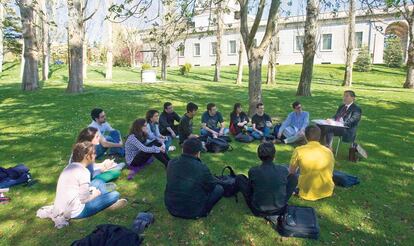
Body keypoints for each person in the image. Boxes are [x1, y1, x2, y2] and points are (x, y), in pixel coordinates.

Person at [47, 142, 127, 225]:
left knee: (98, 182)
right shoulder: (83, 172)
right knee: (115, 194)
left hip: (65, 205)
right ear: (87, 156)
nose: (95, 155)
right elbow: (84, 199)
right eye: (93, 153)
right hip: (76, 211)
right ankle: (107, 202)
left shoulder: (69, 167)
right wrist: (96, 193)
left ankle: (105, 193)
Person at [164, 138, 224, 219]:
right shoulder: (201, 167)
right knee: (219, 189)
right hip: (194, 211)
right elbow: (211, 187)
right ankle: (204, 211)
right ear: (198, 153)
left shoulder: (171, 162)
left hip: (171, 207)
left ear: (182, 150)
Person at [236, 142, 298, 217]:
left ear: (258, 155)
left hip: (258, 210)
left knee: (240, 178)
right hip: (280, 208)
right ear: (274, 155)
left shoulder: (253, 171)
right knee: (293, 177)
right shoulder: (283, 170)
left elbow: (250, 190)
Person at [289, 125, 335, 201]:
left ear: (305, 137)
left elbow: (291, 173)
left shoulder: (299, 150)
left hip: (306, 191)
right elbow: (331, 171)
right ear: (319, 137)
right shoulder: (328, 151)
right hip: (327, 190)